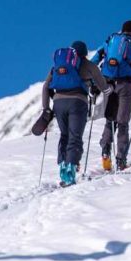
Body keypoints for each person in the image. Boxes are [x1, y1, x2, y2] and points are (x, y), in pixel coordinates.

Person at [41, 41, 112, 186]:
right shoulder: (87, 65)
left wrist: (46, 108)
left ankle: (62, 167)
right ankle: (70, 171)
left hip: (58, 103)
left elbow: (45, 86)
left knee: (64, 135)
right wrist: (108, 90)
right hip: (78, 103)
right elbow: (102, 84)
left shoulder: (59, 65)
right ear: (85, 53)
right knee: (75, 137)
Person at [91, 20, 131, 171]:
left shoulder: (110, 40)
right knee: (123, 123)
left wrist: (93, 82)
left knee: (110, 120)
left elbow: (95, 60)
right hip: (125, 86)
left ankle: (105, 151)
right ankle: (121, 159)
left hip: (108, 85)